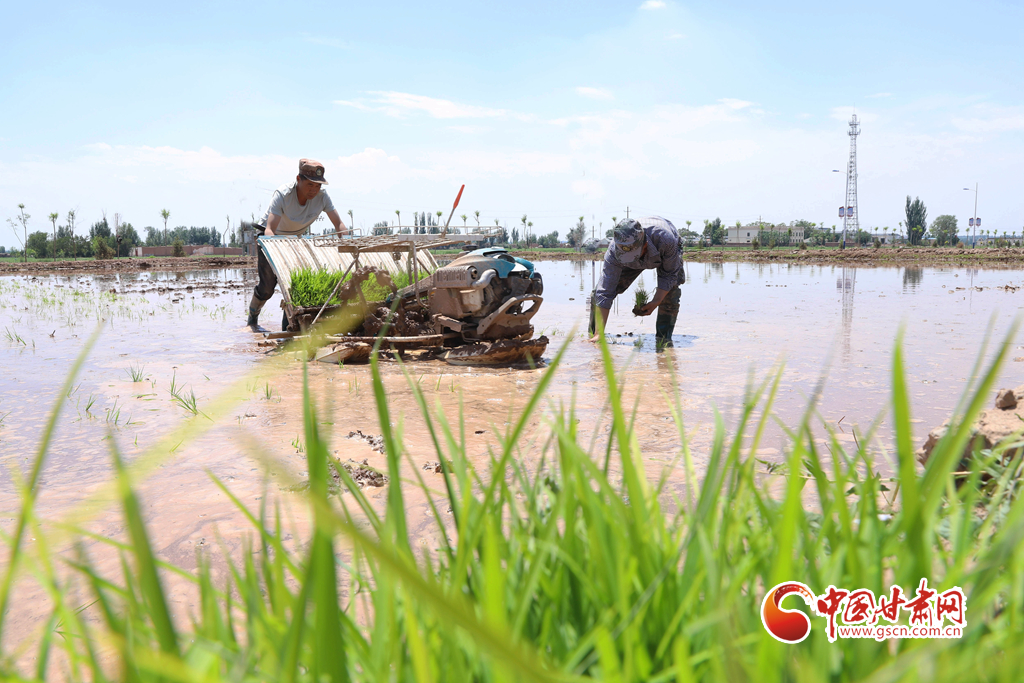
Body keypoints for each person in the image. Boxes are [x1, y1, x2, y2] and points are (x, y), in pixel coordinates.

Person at [247, 158, 350, 329]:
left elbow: (339, 225)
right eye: (310, 185)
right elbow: (270, 229)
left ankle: (288, 329)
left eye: (318, 186)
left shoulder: (323, 198)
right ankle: (252, 317)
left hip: (295, 240)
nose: (314, 190)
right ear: (298, 179)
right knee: (267, 288)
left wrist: (348, 245)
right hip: (271, 240)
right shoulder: (283, 194)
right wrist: (276, 254)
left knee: (293, 283)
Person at [588, 216, 685, 347]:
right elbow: (605, 291)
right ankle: (593, 337)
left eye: (633, 254)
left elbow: (669, 275)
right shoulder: (613, 253)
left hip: (663, 254)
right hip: (630, 259)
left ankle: (663, 341)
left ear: (644, 244)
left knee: (671, 292)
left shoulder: (665, 239)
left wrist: (656, 301)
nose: (630, 258)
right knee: (597, 294)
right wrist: (599, 334)